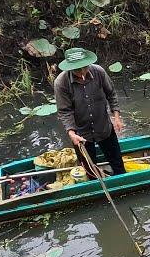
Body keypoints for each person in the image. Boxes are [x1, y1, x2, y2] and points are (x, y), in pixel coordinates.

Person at [54, 47, 126, 178]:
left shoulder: (99, 72)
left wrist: (116, 117)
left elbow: (111, 94)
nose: (82, 72)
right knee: (90, 172)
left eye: (84, 67)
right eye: (77, 69)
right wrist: (71, 133)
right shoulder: (61, 83)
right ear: (70, 68)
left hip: (104, 127)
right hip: (81, 135)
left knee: (118, 166)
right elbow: (65, 111)